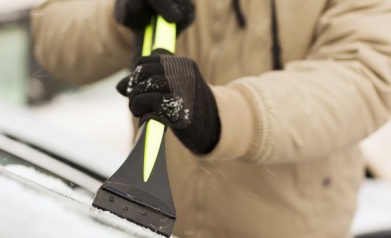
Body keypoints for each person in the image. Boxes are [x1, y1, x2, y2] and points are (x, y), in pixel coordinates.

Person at [31, 0, 391, 237]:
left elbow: (366, 74)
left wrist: (226, 115)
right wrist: (116, 14)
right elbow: (51, 44)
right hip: (153, 219)